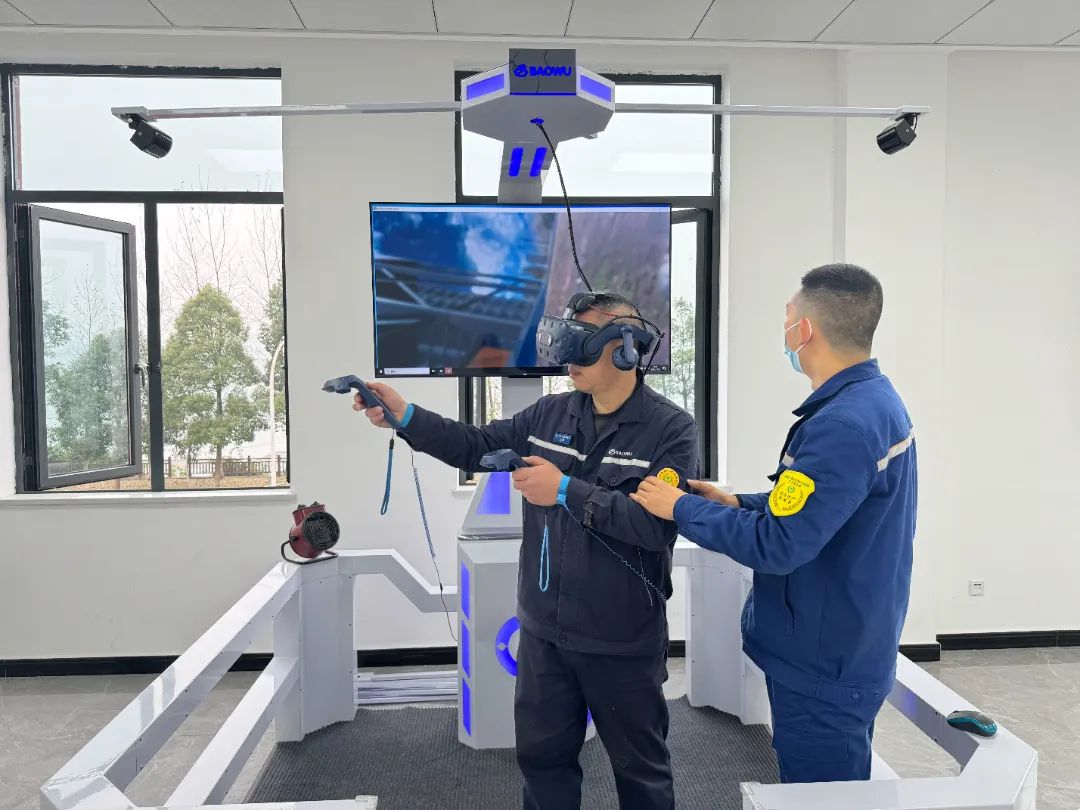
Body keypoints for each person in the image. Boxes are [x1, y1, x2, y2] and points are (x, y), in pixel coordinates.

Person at [357, 291, 698, 809]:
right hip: (544, 637)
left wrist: (565, 490)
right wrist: (406, 417)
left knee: (642, 775)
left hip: (622, 642)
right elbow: (475, 445)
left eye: (582, 346)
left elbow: (654, 528)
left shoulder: (671, 430)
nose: (568, 360)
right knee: (543, 766)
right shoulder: (549, 414)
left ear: (625, 347)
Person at [631, 264, 917, 784]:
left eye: (787, 319)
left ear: (803, 330)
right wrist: (737, 502)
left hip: (824, 664)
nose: (784, 331)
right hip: (845, 643)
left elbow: (779, 545)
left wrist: (679, 508)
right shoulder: (870, 404)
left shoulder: (841, 426)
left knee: (822, 796)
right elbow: (817, 508)